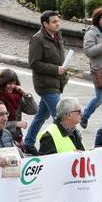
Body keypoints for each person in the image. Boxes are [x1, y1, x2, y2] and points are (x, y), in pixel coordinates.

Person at [23, 11, 69, 154]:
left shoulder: (57, 35)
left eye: (58, 21)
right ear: (45, 24)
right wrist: (56, 69)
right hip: (45, 84)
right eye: (54, 22)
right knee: (60, 116)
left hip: (57, 81)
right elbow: (34, 63)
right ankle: (62, 146)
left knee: (42, 115)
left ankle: (28, 142)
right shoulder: (38, 39)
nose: (58, 24)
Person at [0, 69, 36, 144]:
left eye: (14, 83)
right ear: (2, 83)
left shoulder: (17, 97)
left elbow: (33, 110)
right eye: (9, 83)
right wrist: (15, 124)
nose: (12, 86)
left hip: (16, 138)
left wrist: (26, 95)